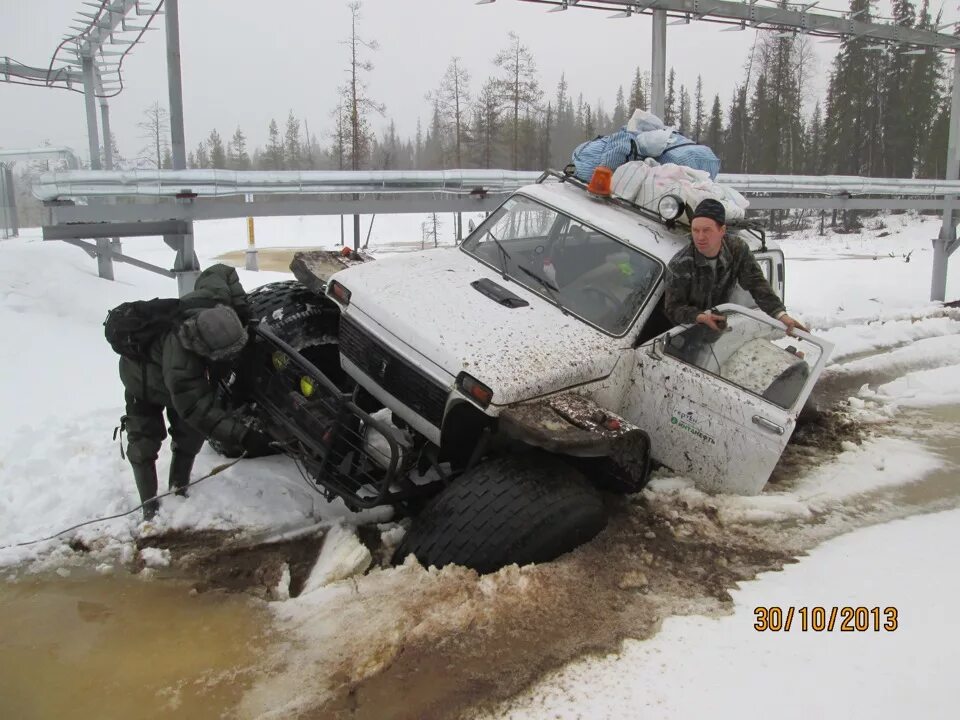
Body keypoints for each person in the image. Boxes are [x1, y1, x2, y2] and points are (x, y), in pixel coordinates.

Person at [118, 264, 272, 520]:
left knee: (189, 436)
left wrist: (243, 309)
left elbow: (222, 272)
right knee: (144, 441)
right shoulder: (183, 360)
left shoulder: (214, 300)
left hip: (171, 374)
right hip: (142, 380)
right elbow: (198, 409)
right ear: (204, 349)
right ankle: (149, 507)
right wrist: (242, 436)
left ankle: (178, 487)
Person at [664, 199, 806, 334]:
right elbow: (673, 308)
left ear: (722, 230)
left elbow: (756, 284)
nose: (700, 237)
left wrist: (781, 315)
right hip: (683, 333)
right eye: (695, 230)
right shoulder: (680, 264)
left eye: (706, 230)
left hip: (718, 332)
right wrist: (700, 317)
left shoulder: (736, 249)